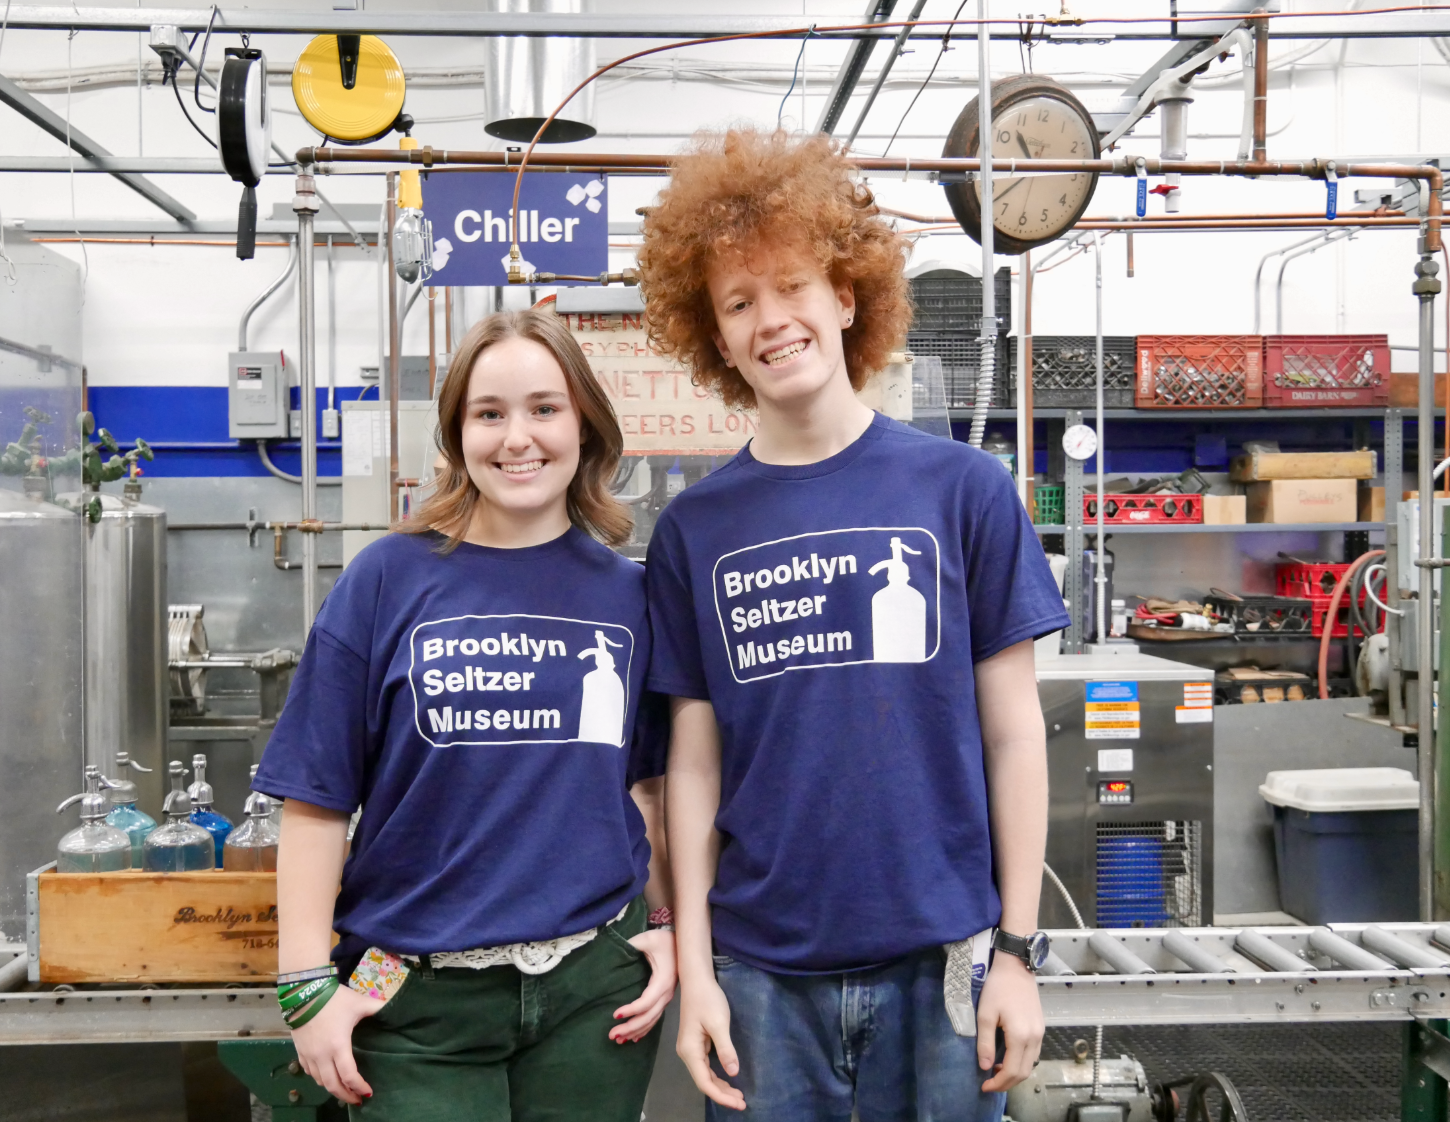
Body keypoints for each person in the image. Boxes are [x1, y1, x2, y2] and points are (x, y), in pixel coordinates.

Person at [636, 129, 1070, 1121]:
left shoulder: (964, 490)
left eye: (792, 285)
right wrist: (698, 971)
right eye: (737, 302)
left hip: (947, 963)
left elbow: (1014, 734)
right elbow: (691, 768)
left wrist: (1014, 951)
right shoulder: (696, 529)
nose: (770, 319)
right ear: (715, 338)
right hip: (759, 974)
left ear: (845, 296)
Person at [254, 307, 677, 1121]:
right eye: (489, 414)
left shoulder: (630, 596)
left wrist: (666, 923)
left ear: (584, 425)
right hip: (412, 989)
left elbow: (646, 789)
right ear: (457, 434)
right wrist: (305, 983)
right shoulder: (386, 578)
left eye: (544, 408)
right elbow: (314, 795)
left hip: (596, 988)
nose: (518, 438)